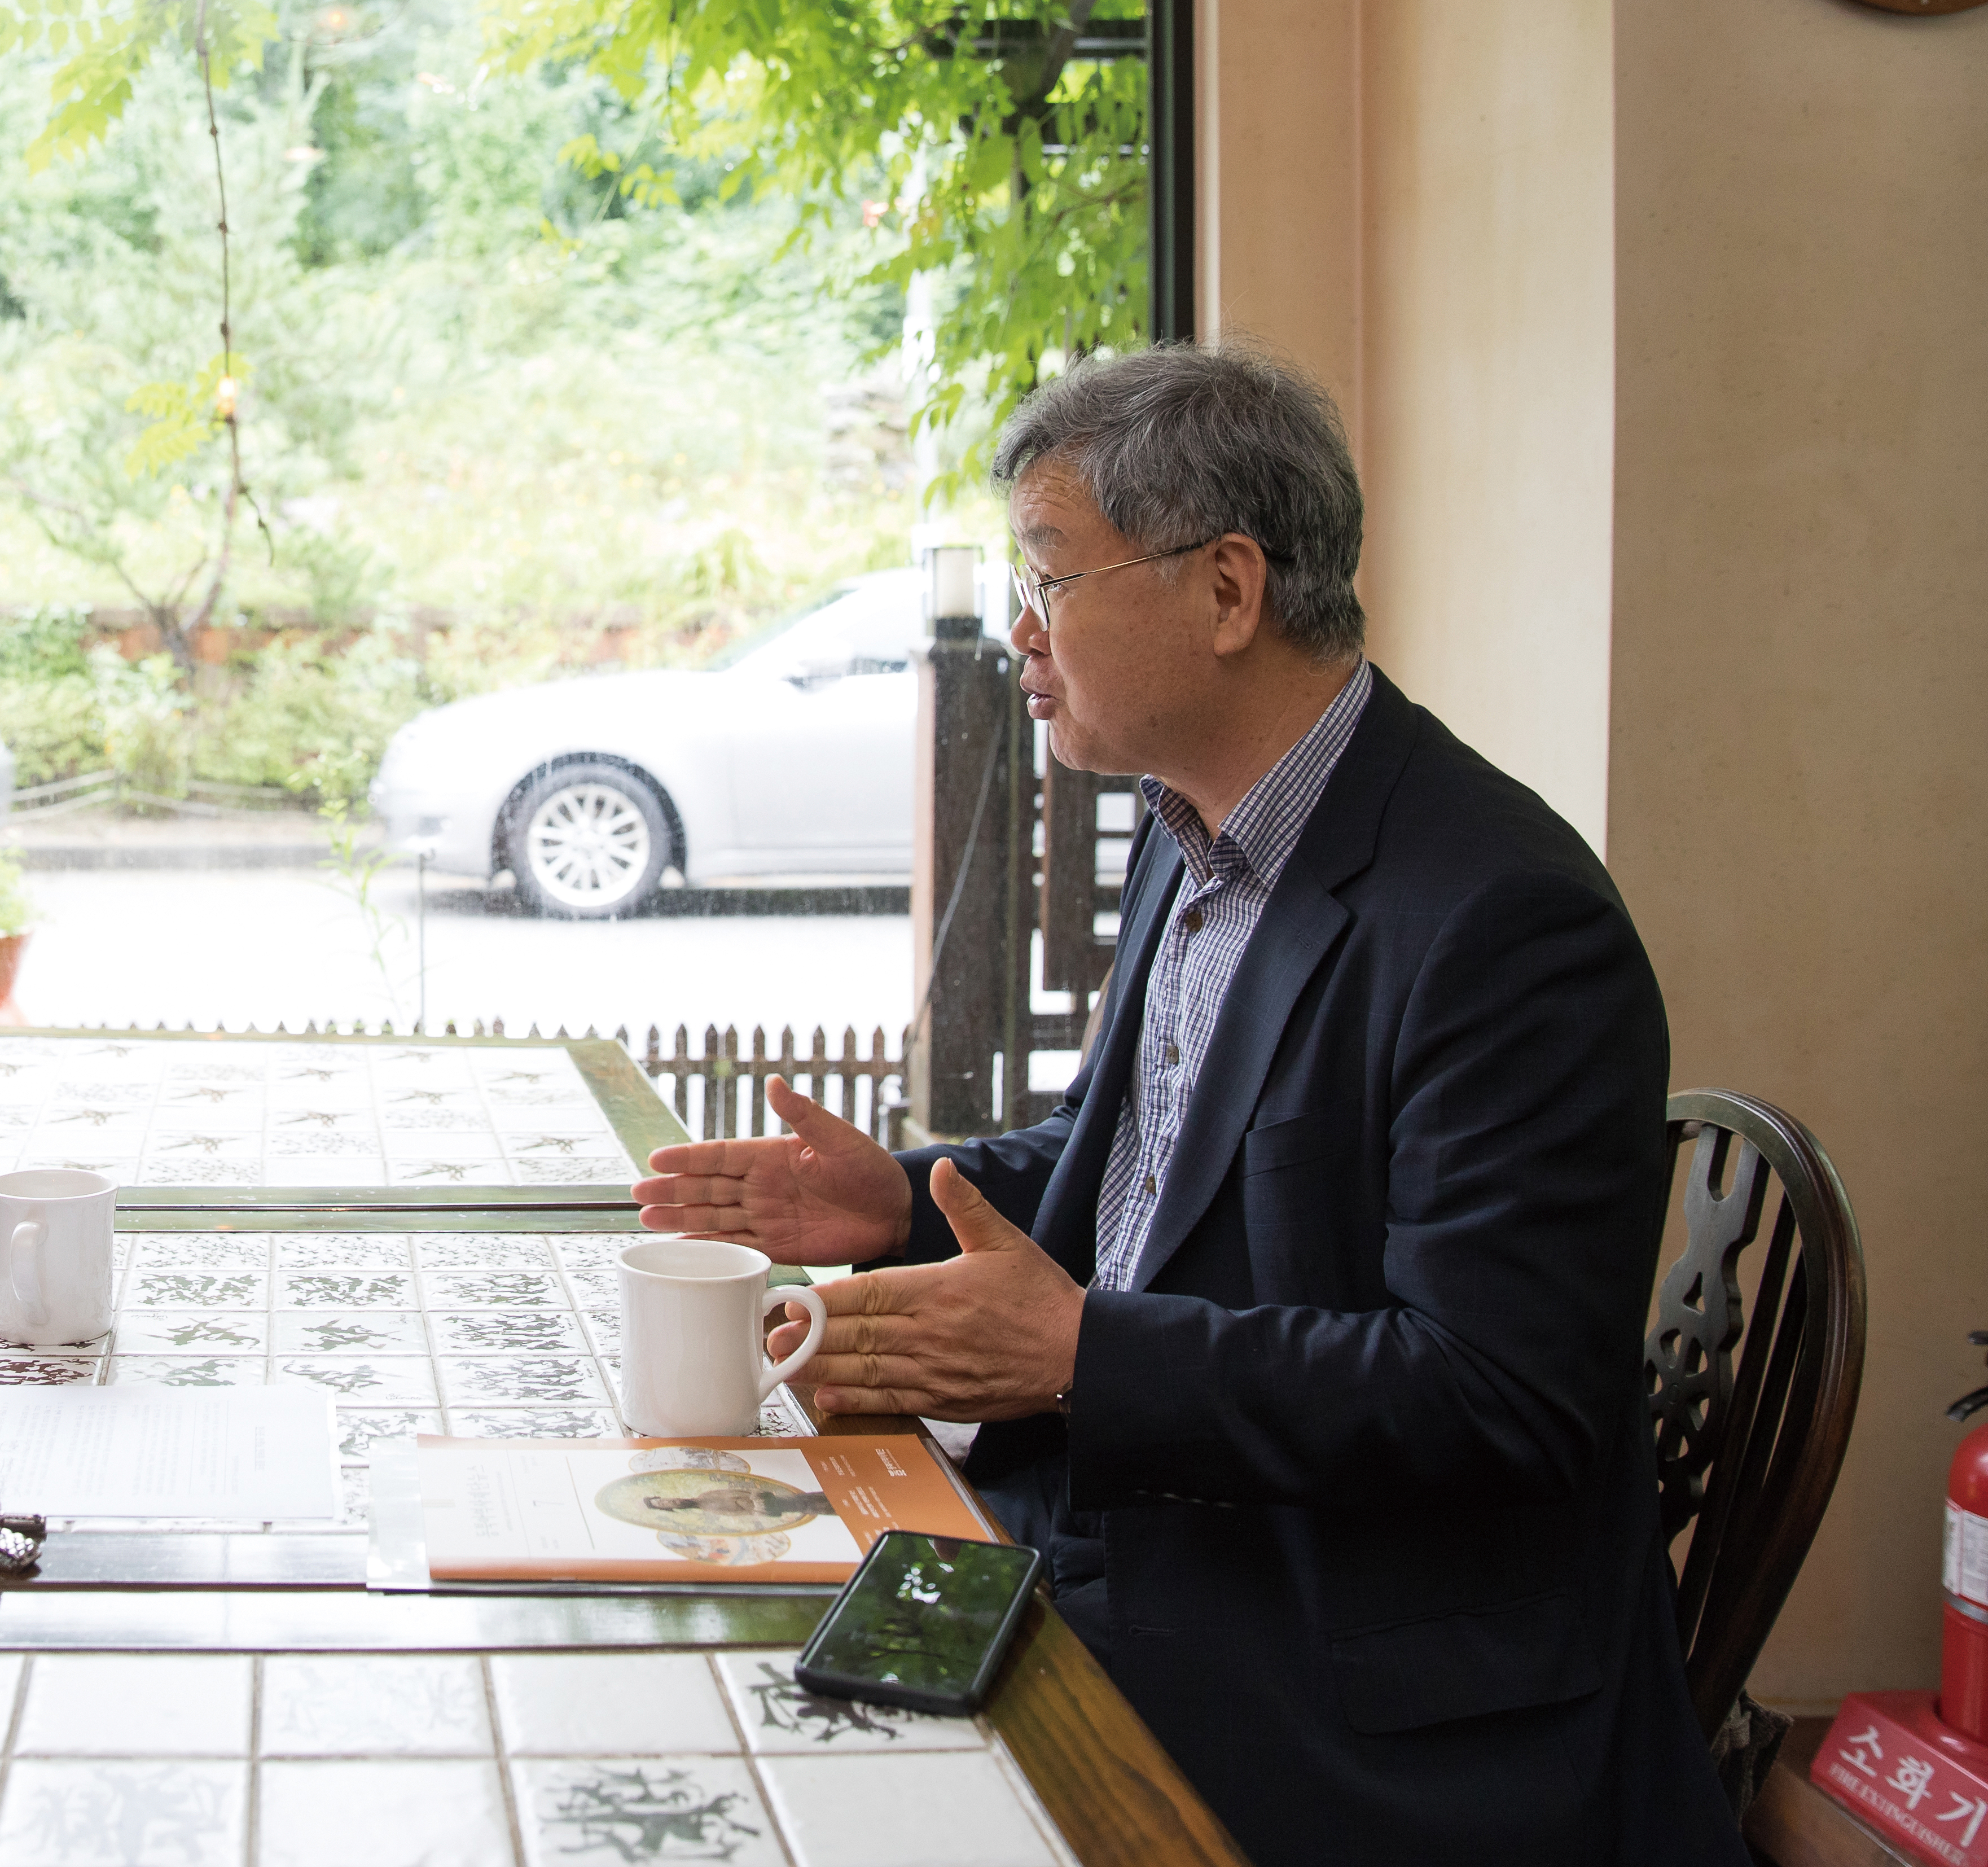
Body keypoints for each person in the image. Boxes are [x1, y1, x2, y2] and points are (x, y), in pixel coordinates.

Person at [634, 348, 1742, 1867]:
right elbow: (1147, 1173)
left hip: (1345, 1672)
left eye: (1052, 578)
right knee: (700, 1643)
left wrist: (1081, 1355)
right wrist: (898, 1201)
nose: (1019, 637)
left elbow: (1501, 1399)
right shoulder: (1191, 825)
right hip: (1147, 1533)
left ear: (1226, 592)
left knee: (796, 1783)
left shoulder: (1501, 920)